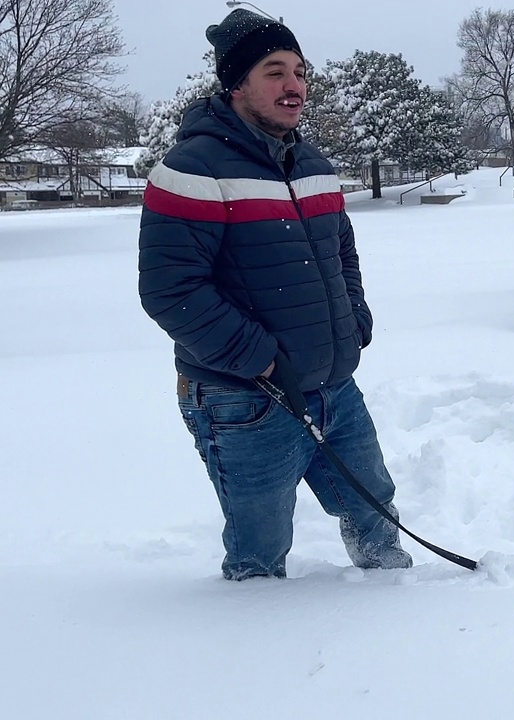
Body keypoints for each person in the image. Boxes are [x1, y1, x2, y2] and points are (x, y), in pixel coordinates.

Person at [138, 9, 412, 580]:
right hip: (245, 399)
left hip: (334, 382)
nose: (294, 86)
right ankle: (260, 648)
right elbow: (170, 289)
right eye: (274, 71)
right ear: (237, 83)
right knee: (260, 547)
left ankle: (396, 593)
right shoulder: (193, 168)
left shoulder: (312, 164)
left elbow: (342, 254)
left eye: (299, 71)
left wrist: (353, 320)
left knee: (373, 505)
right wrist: (261, 357)